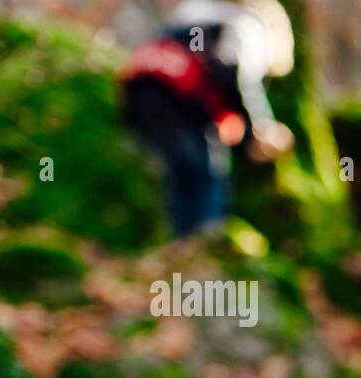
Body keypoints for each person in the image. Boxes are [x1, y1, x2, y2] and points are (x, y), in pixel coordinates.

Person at [119, 0, 295, 236]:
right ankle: (208, 240)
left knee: (180, 173)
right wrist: (261, 127)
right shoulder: (246, 25)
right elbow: (241, 82)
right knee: (209, 173)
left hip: (141, 93)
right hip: (180, 100)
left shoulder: (194, 10)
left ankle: (181, 241)